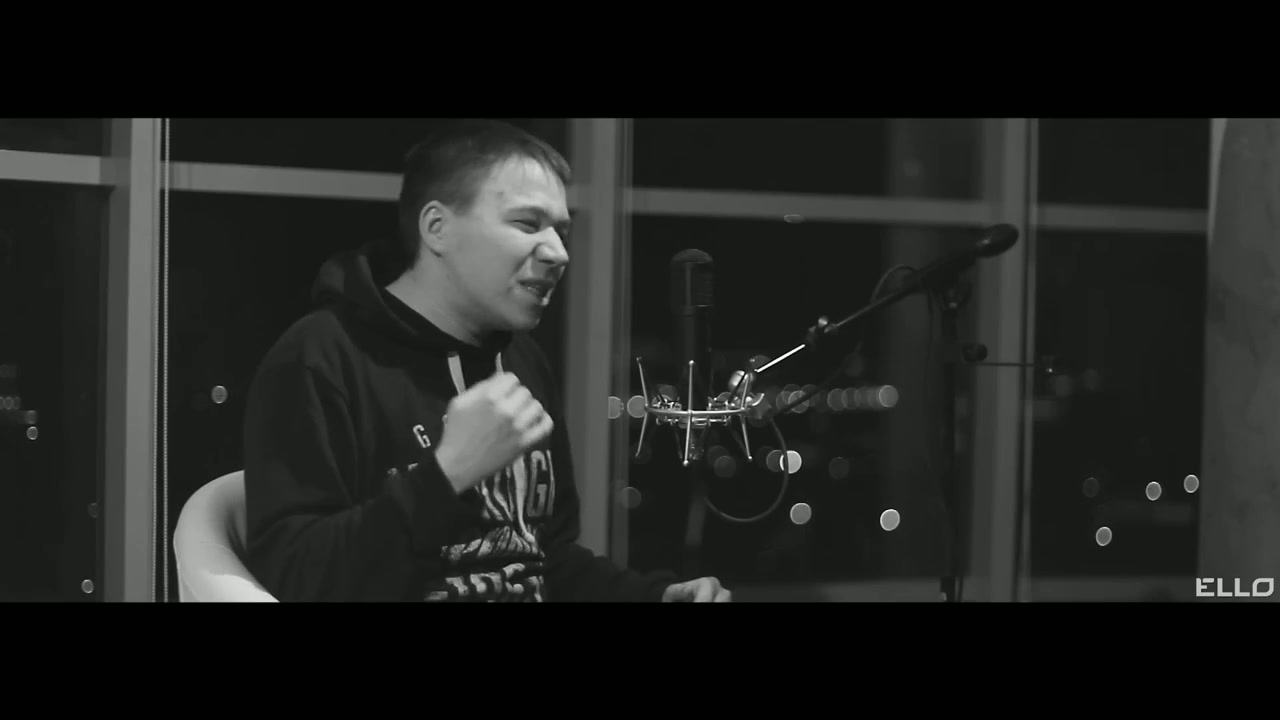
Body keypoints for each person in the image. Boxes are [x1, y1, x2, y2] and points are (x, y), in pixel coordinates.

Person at [241, 119, 732, 602]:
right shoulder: (320, 358)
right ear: (437, 229)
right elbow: (296, 578)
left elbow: (546, 559)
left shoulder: (522, 361)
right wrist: (447, 475)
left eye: (561, 232)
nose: (559, 253)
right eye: (527, 224)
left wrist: (653, 595)